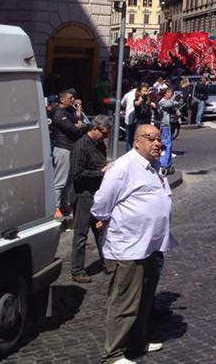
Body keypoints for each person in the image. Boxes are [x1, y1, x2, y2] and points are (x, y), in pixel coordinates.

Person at [92, 124, 175, 364]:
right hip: (128, 247)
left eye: (159, 139)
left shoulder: (154, 167)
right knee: (125, 301)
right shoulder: (123, 167)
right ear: (136, 141)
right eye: (151, 138)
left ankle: (137, 342)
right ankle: (114, 354)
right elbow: (101, 205)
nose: (157, 143)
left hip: (151, 245)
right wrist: (105, 221)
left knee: (144, 299)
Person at [69, 115, 112, 283]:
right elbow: (77, 175)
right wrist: (101, 173)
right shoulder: (81, 147)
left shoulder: (99, 144)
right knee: (81, 234)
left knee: (101, 231)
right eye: (104, 133)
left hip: (97, 194)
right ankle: (77, 270)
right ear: (94, 129)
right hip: (83, 195)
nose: (106, 137)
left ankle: (108, 262)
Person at [50, 89, 86, 217]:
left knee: (69, 180)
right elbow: (73, 130)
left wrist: (79, 107)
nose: (73, 100)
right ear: (62, 99)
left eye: (73, 98)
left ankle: (64, 205)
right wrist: (79, 126)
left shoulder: (69, 111)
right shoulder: (58, 113)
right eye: (70, 98)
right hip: (62, 148)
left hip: (72, 148)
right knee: (60, 180)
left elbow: (79, 119)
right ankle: (55, 207)